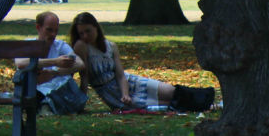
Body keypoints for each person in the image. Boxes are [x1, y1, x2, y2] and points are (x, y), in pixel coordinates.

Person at [69, 12, 212, 113]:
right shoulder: (81, 46)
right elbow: (84, 77)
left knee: (170, 91)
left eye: (88, 31)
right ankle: (207, 106)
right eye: (81, 33)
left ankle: (207, 97)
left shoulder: (110, 46)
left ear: (96, 27)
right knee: (165, 104)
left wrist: (126, 93)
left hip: (127, 82)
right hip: (110, 92)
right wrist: (82, 102)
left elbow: (120, 74)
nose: (85, 36)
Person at [14, 11, 85, 115]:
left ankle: (45, 106)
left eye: (56, 31)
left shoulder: (60, 46)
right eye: (49, 30)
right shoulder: (28, 44)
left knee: (64, 81)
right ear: (38, 27)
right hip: (34, 88)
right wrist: (55, 62)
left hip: (54, 87)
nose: (53, 34)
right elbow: (20, 63)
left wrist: (53, 73)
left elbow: (80, 64)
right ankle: (46, 106)